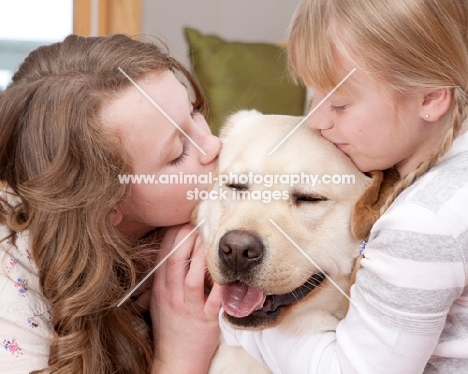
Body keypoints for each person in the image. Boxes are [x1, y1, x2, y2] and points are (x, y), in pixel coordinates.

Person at [218, 0, 468, 373]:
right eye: (313, 94)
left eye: (339, 104)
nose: (315, 120)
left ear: (430, 97)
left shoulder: (422, 223)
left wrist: (233, 326)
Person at [0, 34, 221, 374]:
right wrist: (178, 359)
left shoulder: (180, 214)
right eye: (178, 154)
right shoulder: (12, 299)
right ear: (105, 207)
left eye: (193, 112)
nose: (214, 144)